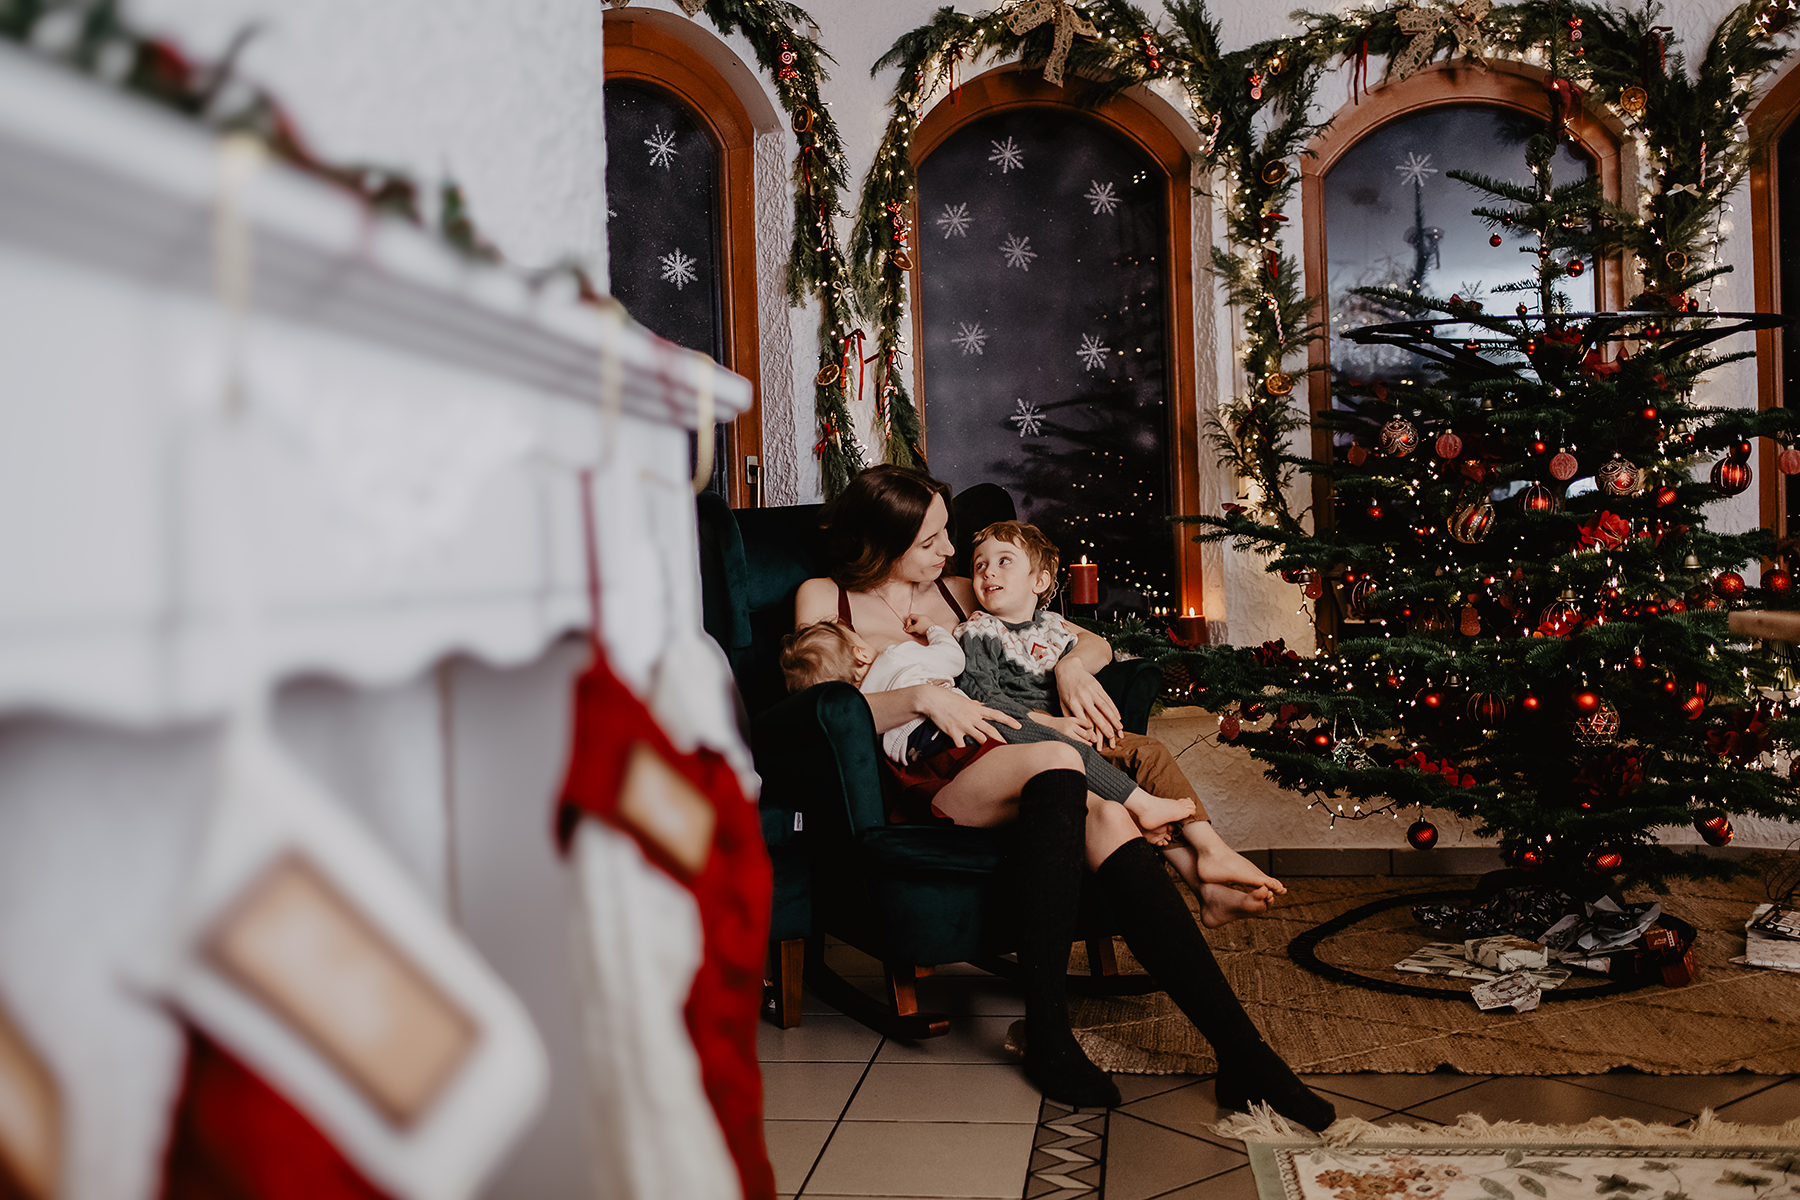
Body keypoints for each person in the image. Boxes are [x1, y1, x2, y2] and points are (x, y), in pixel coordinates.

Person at [793, 464, 1335, 1130]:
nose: (947, 552)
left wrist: (1072, 664)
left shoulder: (961, 591)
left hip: (1007, 759)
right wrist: (917, 695)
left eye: (947, 536)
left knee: (1101, 810)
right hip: (925, 778)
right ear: (886, 535)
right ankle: (1049, 1032)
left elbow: (1078, 636)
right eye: (931, 539)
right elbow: (813, 712)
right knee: (1057, 761)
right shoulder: (824, 597)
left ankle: (1243, 1055)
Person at [958, 521, 1287, 926]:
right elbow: (983, 699)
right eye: (979, 565)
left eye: (1003, 561)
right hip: (1026, 745)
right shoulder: (979, 630)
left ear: (1039, 580)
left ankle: (1210, 867)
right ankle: (1208, 867)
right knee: (1123, 787)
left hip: (1075, 735)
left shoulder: (1055, 628)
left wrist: (1073, 687)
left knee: (1149, 751)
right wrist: (1053, 725)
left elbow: (1102, 649)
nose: (988, 571)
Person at [779, 616, 1195, 842]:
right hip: (973, 728)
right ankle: (1142, 805)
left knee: (1055, 767)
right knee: (1065, 751)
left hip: (921, 757)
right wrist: (934, 632)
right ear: (860, 650)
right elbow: (953, 660)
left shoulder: (858, 708)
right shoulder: (900, 656)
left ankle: (1153, 825)